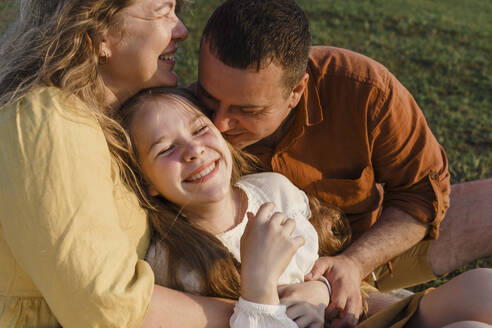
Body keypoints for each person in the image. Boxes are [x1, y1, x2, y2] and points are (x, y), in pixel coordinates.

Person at [0, 1, 338, 327]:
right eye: (163, 12)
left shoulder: (116, 117)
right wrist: (268, 306)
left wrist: (321, 289)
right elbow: (107, 308)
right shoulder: (47, 120)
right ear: (99, 34)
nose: (182, 30)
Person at [195, 0, 492, 326]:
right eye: (210, 98)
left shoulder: (363, 89)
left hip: (370, 248)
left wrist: (355, 264)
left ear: (297, 90)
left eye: (247, 111)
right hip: (283, 289)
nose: (219, 124)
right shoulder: (180, 122)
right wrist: (318, 289)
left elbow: (422, 192)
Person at [117, 86, 492, 328]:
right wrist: (260, 282)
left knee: (482, 288)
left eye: (199, 130)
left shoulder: (273, 191)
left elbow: (319, 267)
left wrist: (320, 293)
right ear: (147, 183)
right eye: (165, 149)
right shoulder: (172, 260)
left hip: (348, 318)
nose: (193, 149)